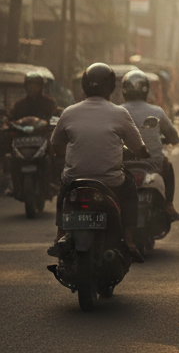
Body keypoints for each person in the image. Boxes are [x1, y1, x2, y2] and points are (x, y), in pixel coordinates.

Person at [48, 63, 149, 262]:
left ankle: (60, 234)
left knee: (64, 185)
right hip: (110, 182)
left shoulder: (69, 112)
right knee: (129, 186)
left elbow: (55, 143)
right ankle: (129, 240)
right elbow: (138, 147)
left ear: (84, 87)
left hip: (75, 180)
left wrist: (62, 154)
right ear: (112, 87)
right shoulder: (119, 113)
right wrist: (144, 154)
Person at [120, 69, 179, 221]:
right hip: (153, 163)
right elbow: (173, 136)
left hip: (123, 164)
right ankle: (169, 205)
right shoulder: (157, 111)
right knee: (168, 165)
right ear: (146, 90)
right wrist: (172, 140)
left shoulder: (117, 111)